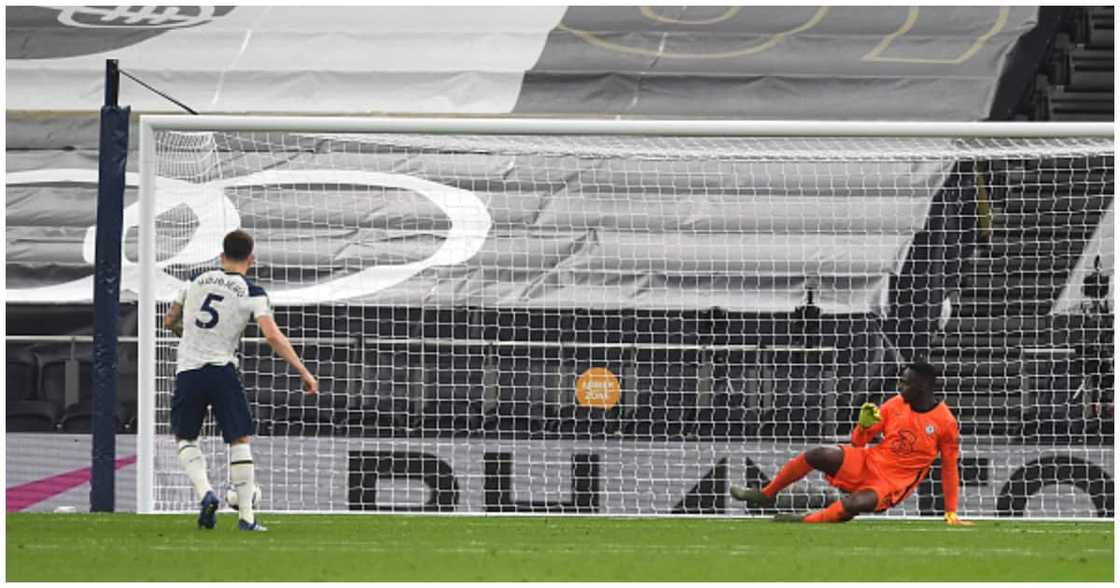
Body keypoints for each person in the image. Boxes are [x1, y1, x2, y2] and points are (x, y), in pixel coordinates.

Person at [163, 229, 318, 532]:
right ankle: (247, 517)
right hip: (222, 371)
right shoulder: (253, 292)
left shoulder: (194, 280)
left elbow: (170, 320)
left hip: (188, 371)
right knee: (239, 438)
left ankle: (205, 492)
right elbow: (272, 335)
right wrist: (303, 371)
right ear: (252, 259)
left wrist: (190, 336)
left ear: (221, 256)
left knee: (185, 437)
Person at [730, 361, 971, 525]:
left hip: (891, 483)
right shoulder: (895, 404)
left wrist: (951, 511)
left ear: (923, 387)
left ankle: (806, 519)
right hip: (868, 461)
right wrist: (863, 426)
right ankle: (767, 494)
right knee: (819, 454)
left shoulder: (945, 422)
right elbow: (857, 442)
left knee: (854, 503)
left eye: (905, 383)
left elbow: (949, 467)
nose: (900, 386)